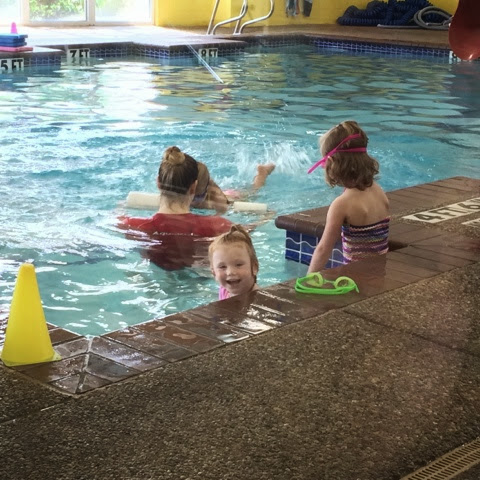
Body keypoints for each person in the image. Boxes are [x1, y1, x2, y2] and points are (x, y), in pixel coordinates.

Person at [118, 146, 234, 270]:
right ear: (194, 187)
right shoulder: (219, 226)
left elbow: (117, 219)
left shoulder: (133, 226)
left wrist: (120, 206)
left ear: (158, 182)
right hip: (201, 277)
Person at [307, 120, 390, 273]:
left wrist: (307, 280)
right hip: (379, 274)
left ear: (331, 162)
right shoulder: (378, 191)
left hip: (356, 279)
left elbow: (323, 249)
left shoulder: (342, 204)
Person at [191, 160, 276, 214]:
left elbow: (268, 212)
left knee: (254, 191)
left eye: (196, 198)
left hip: (231, 198)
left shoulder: (215, 204)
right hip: (223, 193)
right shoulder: (192, 196)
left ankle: (263, 173)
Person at [209, 224, 259, 299]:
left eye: (238, 265)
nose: (230, 272)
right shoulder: (224, 290)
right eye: (222, 267)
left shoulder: (259, 299)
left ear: (254, 267)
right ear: (214, 273)